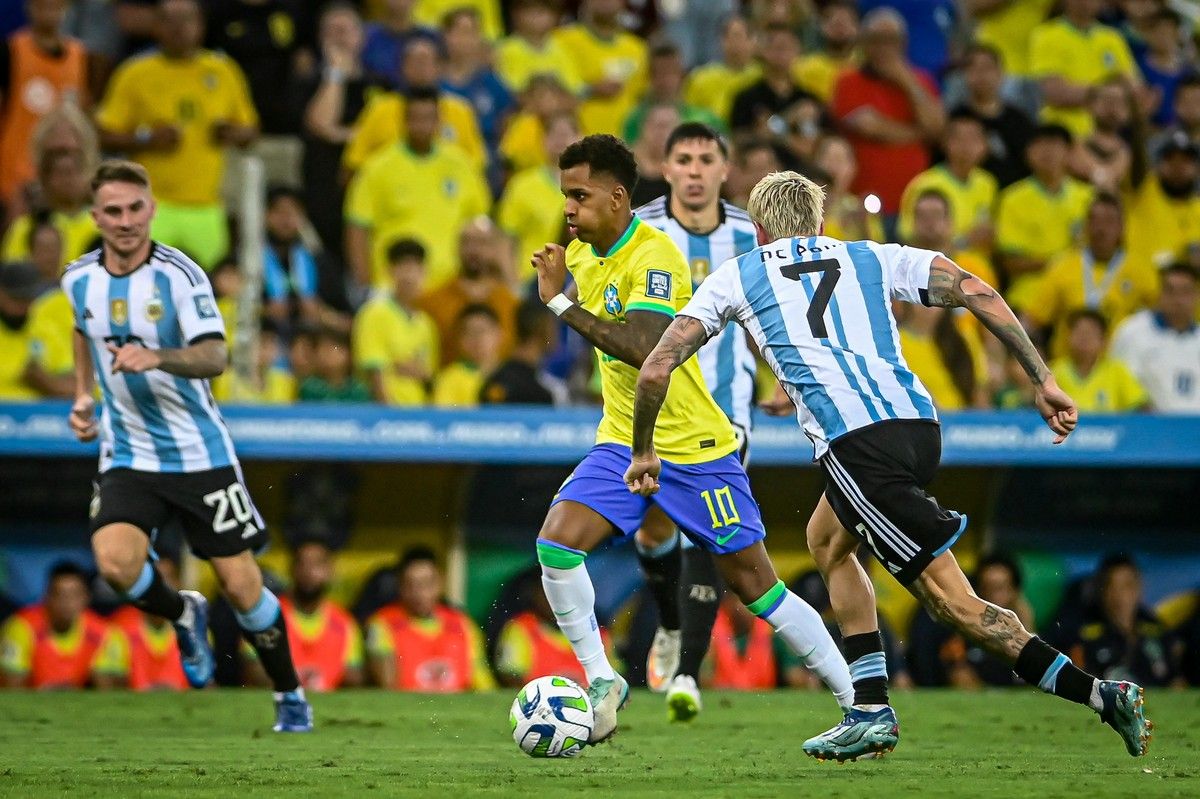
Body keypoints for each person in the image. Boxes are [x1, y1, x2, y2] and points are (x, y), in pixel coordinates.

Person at [625, 169, 1153, 761]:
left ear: (761, 230)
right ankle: (870, 705)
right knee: (825, 538)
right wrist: (1044, 377)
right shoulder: (871, 256)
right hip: (919, 428)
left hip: (858, 446)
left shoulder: (741, 272)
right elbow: (975, 290)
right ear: (821, 224)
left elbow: (655, 367)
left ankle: (1102, 695)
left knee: (953, 603)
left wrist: (644, 449)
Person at [530, 134, 853, 743]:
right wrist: (564, 287)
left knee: (755, 585)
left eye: (581, 195)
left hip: (698, 451)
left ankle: (855, 698)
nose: (568, 207)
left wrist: (559, 305)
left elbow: (646, 349)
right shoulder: (583, 254)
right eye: (564, 195)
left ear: (618, 197)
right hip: (623, 442)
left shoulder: (654, 256)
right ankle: (603, 680)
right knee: (556, 546)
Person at [62, 160, 311, 731]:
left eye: (134, 209)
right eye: (113, 211)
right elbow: (83, 327)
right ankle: (182, 611)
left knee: (243, 587)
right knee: (116, 564)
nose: (125, 221)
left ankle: (290, 693)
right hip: (128, 452)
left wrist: (159, 357)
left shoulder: (181, 276)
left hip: (199, 454)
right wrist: (83, 396)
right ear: (96, 216)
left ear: (150, 209)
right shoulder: (79, 278)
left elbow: (215, 355)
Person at [633, 122, 761, 716]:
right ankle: (670, 622)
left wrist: (783, 377)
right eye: (682, 159)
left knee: (708, 529)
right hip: (659, 407)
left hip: (727, 411)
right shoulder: (643, 230)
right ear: (665, 168)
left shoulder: (749, 233)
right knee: (654, 530)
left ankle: (687, 675)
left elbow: (770, 309)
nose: (693, 170)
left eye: (705, 159)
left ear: (724, 169)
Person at [95, 0, 258, 270]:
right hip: (150, 206)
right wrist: (146, 139)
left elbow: (250, 130)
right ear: (156, 26)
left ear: (201, 26)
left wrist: (232, 133)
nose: (179, 28)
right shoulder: (135, 73)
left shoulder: (223, 70)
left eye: (186, 20)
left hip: (206, 207)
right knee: (146, 287)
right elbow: (103, 135)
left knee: (206, 288)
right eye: (169, 20)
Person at [344, 86, 490, 290]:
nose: (422, 125)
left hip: (451, 287)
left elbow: (480, 224)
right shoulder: (377, 168)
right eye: (416, 118)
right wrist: (364, 284)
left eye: (428, 118)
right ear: (404, 121)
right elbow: (358, 228)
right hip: (394, 287)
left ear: (439, 121)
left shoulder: (462, 165)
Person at [830, 8, 944, 226]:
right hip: (865, 203)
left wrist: (907, 82)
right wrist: (922, 133)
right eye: (876, 40)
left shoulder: (921, 80)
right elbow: (871, 127)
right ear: (863, 42)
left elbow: (937, 128)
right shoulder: (848, 81)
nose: (883, 48)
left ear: (903, 43)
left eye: (891, 40)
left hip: (913, 205)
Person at [1025, 194, 1157, 358]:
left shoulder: (1141, 270)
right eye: (1094, 220)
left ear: (1122, 227)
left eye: (1109, 221)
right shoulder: (1063, 266)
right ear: (1086, 225)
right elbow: (1031, 321)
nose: (1101, 228)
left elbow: (1159, 321)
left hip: (1119, 370)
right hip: (1066, 369)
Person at [299, 2, 371, 267]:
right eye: (332, 31)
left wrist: (339, 134)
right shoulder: (309, 81)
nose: (340, 37)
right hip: (323, 188)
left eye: (346, 30)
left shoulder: (378, 83)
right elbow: (319, 123)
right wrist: (336, 74)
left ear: (361, 37)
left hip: (365, 187)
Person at [364, 547, 494, 692]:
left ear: (440, 583)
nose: (419, 593)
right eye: (410, 585)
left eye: (426, 583)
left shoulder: (463, 624)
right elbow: (388, 687)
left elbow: (484, 685)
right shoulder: (383, 624)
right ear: (400, 586)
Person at [0, 0, 89, 206]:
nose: (49, 12)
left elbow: (83, 115)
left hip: (61, 178)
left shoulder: (79, 55)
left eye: (56, 6)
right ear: (29, 8)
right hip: (13, 177)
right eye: (43, 5)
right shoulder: (10, 51)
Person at [994, 124, 1093, 309]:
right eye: (1040, 145)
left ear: (1070, 153)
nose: (1048, 152)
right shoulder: (1012, 198)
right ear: (1028, 153)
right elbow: (1011, 263)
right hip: (1029, 295)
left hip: (1079, 291)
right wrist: (1060, 262)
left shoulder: (1088, 197)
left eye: (1056, 145)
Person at [244, 541, 364, 692]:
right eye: (302, 564)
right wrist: (294, 680)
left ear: (330, 571)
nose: (308, 571)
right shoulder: (268, 614)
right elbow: (252, 668)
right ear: (291, 570)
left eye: (317, 565)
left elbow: (354, 677)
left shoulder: (344, 623)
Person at [1028, 0, 1140, 140]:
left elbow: (1132, 88)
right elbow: (1054, 93)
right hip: (1063, 134)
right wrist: (1106, 95)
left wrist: (1086, 94)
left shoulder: (1112, 38)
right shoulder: (1046, 35)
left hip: (1109, 136)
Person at [0, 561, 122, 689]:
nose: (66, 603)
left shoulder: (103, 634)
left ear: (86, 598)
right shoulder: (22, 628)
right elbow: (12, 689)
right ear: (47, 597)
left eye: (73, 595)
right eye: (60, 595)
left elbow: (106, 692)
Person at [1064, 555, 1179, 687]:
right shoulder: (1084, 632)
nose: (1119, 595)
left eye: (1126, 586)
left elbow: (1176, 680)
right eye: (1110, 586)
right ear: (1100, 590)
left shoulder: (1156, 630)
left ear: (1138, 588)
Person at [418, 217, 517, 364]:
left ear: (494, 250)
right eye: (466, 242)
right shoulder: (431, 302)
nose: (473, 250)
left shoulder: (511, 304)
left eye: (481, 243)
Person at [494, 569, 616, 688]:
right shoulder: (522, 628)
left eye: (565, 592)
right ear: (535, 594)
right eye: (549, 592)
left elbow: (614, 678)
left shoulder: (597, 633)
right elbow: (509, 678)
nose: (557, 600)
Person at [353, 238, 438, 405]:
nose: (410, 276)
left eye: (416, 268)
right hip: (388, 415)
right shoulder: (374, 313)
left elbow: (428, 376)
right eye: (403, 267)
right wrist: (391, 417)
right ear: (390, 271)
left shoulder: (426, 323)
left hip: (419, 414)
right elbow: (374, 371)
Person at [897, 111, 997, 254]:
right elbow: (909, 240)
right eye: (958, 138)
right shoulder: (925, 184)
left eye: (973, 138)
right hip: (941, 268)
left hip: (978, 269)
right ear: (944, 143)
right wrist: (965, 241)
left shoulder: (987, 183)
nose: (966, 146)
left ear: (985, 145)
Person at [497, 112, 578, 286]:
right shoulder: (521, 185)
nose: (559, 140)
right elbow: (506, 241)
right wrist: (513, 285)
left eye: (565, 134)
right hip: (532, 281)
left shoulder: (592, 188)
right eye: (553, 134)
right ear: (543, 140)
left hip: (579, 283)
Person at [550, 0, 647, 137]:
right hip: (577, 143)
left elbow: (642, 100)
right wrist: (591, 90)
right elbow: (549, 94)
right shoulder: (562, 40)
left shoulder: (638, 49)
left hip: (624, 146)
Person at [1111, 264, 1200, 413]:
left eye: (1185, 292)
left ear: (1196, 295)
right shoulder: (1132, 332)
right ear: (1160, 293)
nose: (1178, 300)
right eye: (1170, 291)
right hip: (1146, 428)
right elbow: (1115, 383)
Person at [951, 44, 1037, 188]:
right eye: (973, 68)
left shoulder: (1019, 120)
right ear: (964, 75)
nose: (981, 75)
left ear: (1001, 73)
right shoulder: (956, 119)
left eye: (987, 68)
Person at [104, 555, 188, 691]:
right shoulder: (121, 626)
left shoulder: (192, 626)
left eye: (167, 578)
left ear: (178, 583)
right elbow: (106, 681)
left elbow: (206, 683)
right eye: (157, 579)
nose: (163, 586)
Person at [622, 41, 723, 146]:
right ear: (649, 77)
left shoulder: (706, 119)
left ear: (682, 74)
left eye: (672, 72)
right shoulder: (635, 121)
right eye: (660, 73)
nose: (666, 80)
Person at [1125, 131, 1200, 272]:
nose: (1178, 166)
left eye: (1186, 160)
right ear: (1158, 165)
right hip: (1136, 286)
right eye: (1170, 158)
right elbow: (1138, 159)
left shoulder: (1198, 209)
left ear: (1197, 169)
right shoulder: (1143, 188)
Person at [0, 259, 74, 399]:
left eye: (27, 298)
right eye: (16, 298)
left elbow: (74, 385)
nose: (22, 307)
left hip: (38, 417)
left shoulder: (45, 329)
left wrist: (45, 382)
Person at [1049, 310, 1149, 413]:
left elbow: (1142, 406)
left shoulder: (1117, 371)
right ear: (1068, 337)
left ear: (1103, 340)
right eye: (1079, 332)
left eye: (1090, 333)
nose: (1084, 338)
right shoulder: (1054, 371)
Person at [729, 25, 816, 142]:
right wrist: (789, 119)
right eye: (777, 48)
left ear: (798, 52)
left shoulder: (808, 99)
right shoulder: (747, 98)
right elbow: (739, 139)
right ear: (763, 51)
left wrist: (770, 128)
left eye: (787, 48)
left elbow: (816, 142)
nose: (782, 54)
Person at [706, 589, 806, 690]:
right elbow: (703, 678)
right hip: (722, 695)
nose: (740, 607)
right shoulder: (710, 628)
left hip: (763, 696)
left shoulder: (770, 629)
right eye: (736, 601)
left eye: (746, 602)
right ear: (726, 602)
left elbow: (794, 675)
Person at [481, 298, 566, 405]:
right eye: (553, 326)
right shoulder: (540, 393)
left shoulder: (495, 380)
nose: (557, 334)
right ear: (543, 328)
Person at [681, 15, 759, 126]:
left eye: (740, 37)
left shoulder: (762, 77)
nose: (735, 44)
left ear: (753, 41)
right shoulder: (700, 78)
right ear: (721, 41)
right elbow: (689, 115)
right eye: (730, 37)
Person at [494, 0, 581, 96]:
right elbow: (510, 90)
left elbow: (575, 88)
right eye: (530, 10)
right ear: (515, 14)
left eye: (543, 11)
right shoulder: (505, 50)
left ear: (556, 16)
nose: (537, 16)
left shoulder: (564, 48)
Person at [431, 303, 503, 407]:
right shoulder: (448, 379)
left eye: (482, 331)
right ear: (459, 339)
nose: (477, 338)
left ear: (499, 334)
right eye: (470, 332)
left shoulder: (513, 375)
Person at [793, 1, 859, 104]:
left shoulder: (864, 67)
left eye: (845, 23)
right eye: (836, 24)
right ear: (823, 27)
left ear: (856, 28)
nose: (840, 30)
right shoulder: (803, 68)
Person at [297, 326, 371, 403]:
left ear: (349, 354)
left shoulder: (359, 390)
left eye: (335, 348)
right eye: (323, 348)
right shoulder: (309, 388)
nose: (328, 353)